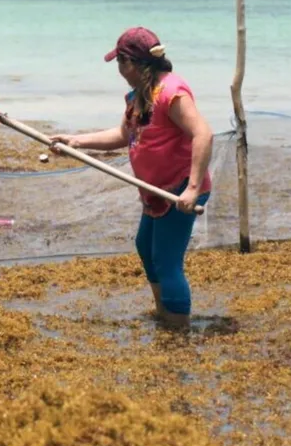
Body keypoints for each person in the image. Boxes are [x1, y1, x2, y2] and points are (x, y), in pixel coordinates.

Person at [49, 27, 213, 330]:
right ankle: (164, 313)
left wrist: (191, 189)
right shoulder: (138, 96)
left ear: (133, 64)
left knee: (166, 259)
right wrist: (76, 142)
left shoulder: (171, 93)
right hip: (154, 191)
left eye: (120, 63)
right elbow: (124, 135)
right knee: (144, 246)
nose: (119, 71)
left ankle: (178, 328)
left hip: (178, 191)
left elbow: (203, 133)